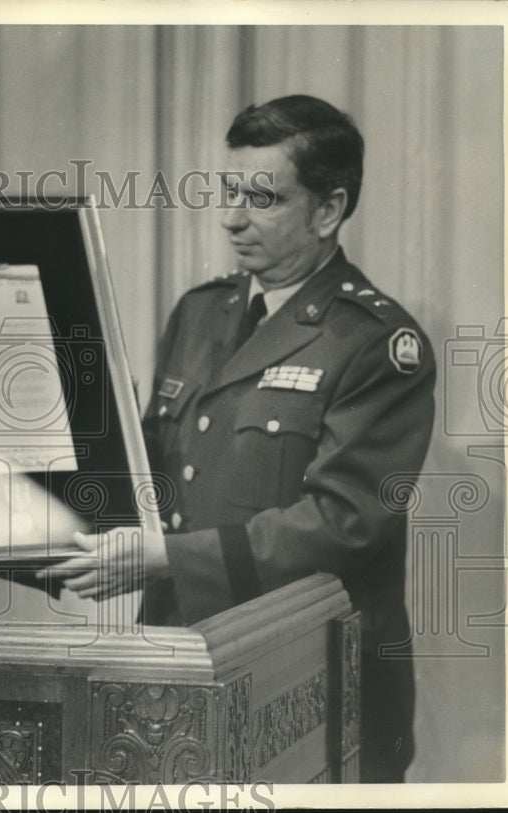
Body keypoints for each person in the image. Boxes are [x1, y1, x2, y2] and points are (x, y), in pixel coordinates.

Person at [51, 95, 435, 782]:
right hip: (182, 664)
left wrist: (162, 556)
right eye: (229, 190)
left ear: (327, 209)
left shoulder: (376, 344)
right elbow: (148, 475)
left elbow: (339, 526)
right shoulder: (200, 313)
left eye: (261, 198)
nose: (232, 217)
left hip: (307, 687)